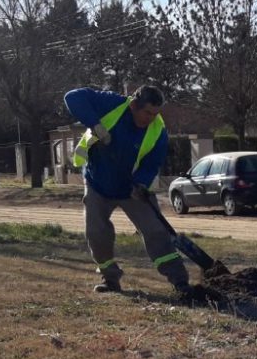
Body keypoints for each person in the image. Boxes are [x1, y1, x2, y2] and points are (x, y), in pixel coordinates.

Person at [63, 85, 192, 301]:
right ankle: (110, 279)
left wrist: (141, 184)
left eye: (155, 114)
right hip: (98, 183)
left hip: (131, 188)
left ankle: (180, 281)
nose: (150, 119)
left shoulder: (158, 131)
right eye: (147, 113)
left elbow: (153, 162)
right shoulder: (112, 104)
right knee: (97, 233)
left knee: (156, 231)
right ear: (134, 105)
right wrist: (95, 125)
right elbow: (72, 96)